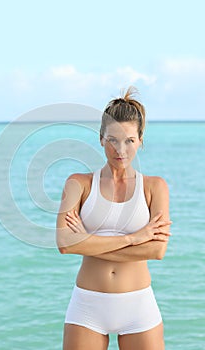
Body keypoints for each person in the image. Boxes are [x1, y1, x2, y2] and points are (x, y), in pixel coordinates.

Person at [56, 86, 172, 350]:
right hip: (87, 307)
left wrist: (87, 242)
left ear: (141, 140)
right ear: (100, 138)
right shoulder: (78, 184)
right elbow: (65, 243)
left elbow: (157, 250)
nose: (121, 149)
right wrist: (134, 238)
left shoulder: (155, 187)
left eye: (130, 140)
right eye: (112, 139)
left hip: (139, 307)